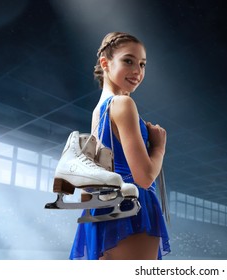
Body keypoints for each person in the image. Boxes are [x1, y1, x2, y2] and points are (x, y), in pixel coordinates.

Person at [69, 31, 170, 260]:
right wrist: (159, 147)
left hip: (99, 211)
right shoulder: (124, 104)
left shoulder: (98, 112)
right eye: (128, 61)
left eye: (142, 64)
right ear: (105, 63)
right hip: (132, 208)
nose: (138, 71)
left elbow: (90, 183)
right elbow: (144, 178)